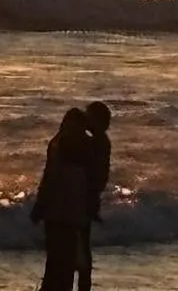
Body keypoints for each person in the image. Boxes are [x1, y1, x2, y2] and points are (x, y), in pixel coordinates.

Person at [31, 107, 93, 291]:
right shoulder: (66, 145)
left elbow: (48, 177)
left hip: (64, 215)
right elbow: (49, 177)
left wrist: (40, 205)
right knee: (62, 265)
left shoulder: (62, 145)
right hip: (64, 214)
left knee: (59, 265)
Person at [78, 101, 113, 291]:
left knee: (82, 246)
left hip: (87, 198)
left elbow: (96, 174)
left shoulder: (97, 143)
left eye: (89, 116)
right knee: (83, 245)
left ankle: (84, 286)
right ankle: (84, 285)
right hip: (90, 197)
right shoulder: (100, 141)